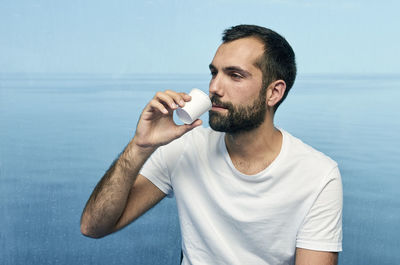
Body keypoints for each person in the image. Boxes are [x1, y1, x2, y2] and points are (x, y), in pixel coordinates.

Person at [81, 24, 343, 265]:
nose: (214, 87)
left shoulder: (318, 176)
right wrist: (140, 146)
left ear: (273, 92)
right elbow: (93, 227)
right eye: (214, 72)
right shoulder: (184, 147)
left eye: (235, 75)